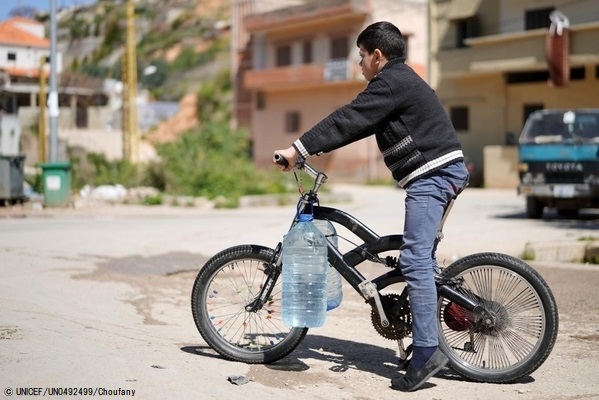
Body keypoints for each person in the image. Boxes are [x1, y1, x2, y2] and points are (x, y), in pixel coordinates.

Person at [273, 21, 469, 392]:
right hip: (438, 173)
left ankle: (428, 351)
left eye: (361, 57)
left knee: (413, 259)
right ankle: (425, 337)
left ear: (378, 56)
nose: (359, 65)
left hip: (434, 176)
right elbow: (354, 125)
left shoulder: (391, 82)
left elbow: (349, 116)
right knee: (419, 258)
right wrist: (309, 150)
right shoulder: (395, 84)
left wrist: (296, 149)